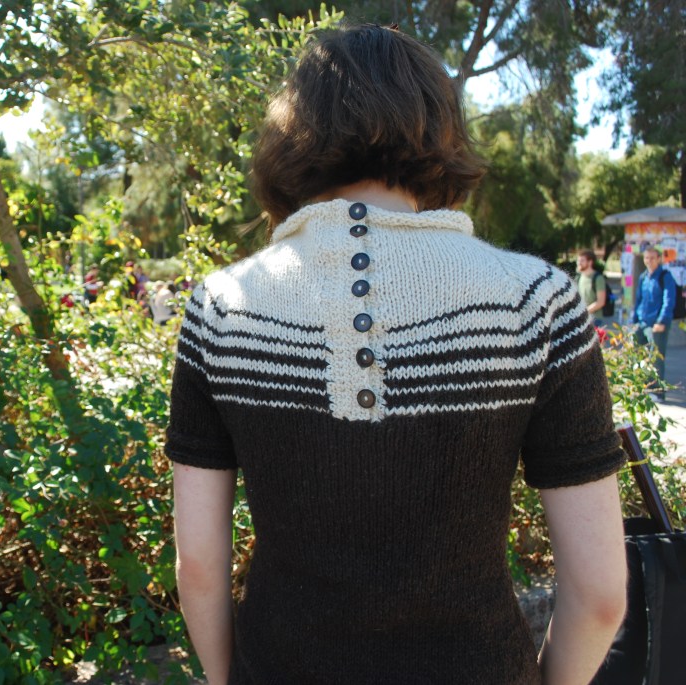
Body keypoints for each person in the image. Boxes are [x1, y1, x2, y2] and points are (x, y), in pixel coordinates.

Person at [167, 25, 626, 685]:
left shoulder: (220, 308)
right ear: (439, 126)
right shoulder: (540, 303)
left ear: (293, 135)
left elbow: (200, 566)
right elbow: (602, 589)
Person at [632, 247, 678, 398]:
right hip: (642, 323)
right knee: (638, 357)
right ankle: (643, 389)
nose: (649, 261)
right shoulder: (643, 276)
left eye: (652, 258)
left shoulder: (665, 276)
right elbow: (638, 301)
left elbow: (668, 301)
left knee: (656, 359)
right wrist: (634, 321)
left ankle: (657, 393)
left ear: (659, 259)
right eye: (646, 258)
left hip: (657, 325)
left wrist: (662, 321)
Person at [576, 249, 608, 324]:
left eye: (582, 261)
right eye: (578, 260)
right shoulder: (579, 277)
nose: (579, 263)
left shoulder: (598, 278)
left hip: (594, 320)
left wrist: (584, 312)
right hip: (581, 319)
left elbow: (600, 302)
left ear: (590, 262)